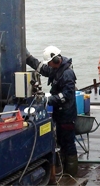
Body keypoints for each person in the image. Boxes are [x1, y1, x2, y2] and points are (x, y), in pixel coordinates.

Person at [26, 46, 78, 176]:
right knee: (60, 141)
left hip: (67, 114)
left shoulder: (67, 74)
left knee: (68, 144)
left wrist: (49, 99)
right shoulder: (58, 69)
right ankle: (65, 170)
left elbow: (67, 95)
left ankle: (71, 174)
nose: (49, 65)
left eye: (49, 63)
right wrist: (28, 58)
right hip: (59, 113)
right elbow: (42, 69)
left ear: (55, 60)